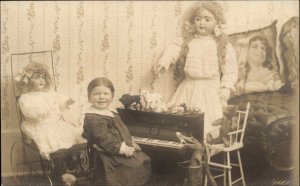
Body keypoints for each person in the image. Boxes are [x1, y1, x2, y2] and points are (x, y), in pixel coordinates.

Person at [154, 1, 238, 136]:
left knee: (208, 123)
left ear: (217, 22)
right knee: (182, 120)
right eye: (198, 19)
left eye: (207, 19)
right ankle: (185, 148)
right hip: (189, 87)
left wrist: (227, 86)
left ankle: (204, 150)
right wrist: (164, 63)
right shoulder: (188, 40)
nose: (201, 23)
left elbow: (230, 68)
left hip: (211, 90)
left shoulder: (222, 45)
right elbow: (174, 49)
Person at [15, 62, 84, 184]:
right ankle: (60, 172)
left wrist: (67, 102)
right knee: (51, 141)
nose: (42, 80)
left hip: (55, 124)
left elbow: (60, 103)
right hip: (39, 125)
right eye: (37, 77)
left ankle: (70, 165)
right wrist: (38, 113)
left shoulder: (50, 94)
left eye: (43, 77)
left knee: (70, 136)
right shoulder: (25, 98)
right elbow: (27, 111)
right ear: (27, 81)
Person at [82, 77, 151, 185]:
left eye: (106, 94)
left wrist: (130, 142)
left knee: (143, 159)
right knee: (134, 166)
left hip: (114, 150)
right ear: (89, 97)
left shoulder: (111, 112)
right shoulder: (94, 117)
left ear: (112, 96)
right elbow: (104, 139)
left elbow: (122, 131)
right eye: (96, 94)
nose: (101, 97)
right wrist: (122, 148)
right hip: (105, 155)